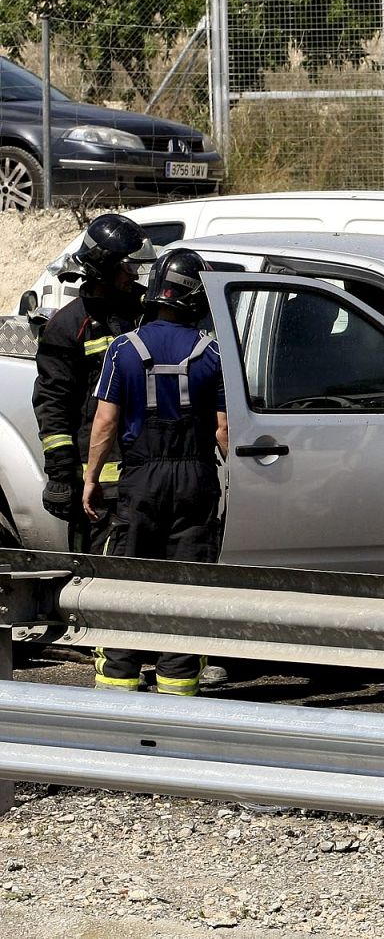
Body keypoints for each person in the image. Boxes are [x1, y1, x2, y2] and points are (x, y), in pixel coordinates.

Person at [82, 249, 229, 696]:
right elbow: (223, 429)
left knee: (127, 581)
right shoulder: (214, 352)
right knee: (187, 586)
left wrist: (91, 477)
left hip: (141, 478)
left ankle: (117, 687)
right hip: (196, 478)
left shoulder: (124, 349)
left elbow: (104, 424)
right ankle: (178, 687)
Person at [32, 213, 151, 554]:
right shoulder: (69, 326)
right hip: (99, 488)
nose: (134, 275)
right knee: (101, 582)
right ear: (104, 267)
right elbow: (53, 406)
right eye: (127, 268)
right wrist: (59, 476)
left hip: (148, 477)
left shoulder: (146, 313)